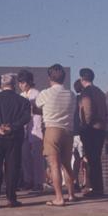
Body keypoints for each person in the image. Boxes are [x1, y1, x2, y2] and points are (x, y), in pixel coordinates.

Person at [0, 73, 31, 208]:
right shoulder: (23, 101)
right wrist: (11, 127)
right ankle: (11, 198)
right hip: (14, 137)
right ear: (14, 84)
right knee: (12, 168)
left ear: (2, 84)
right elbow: (26, 118)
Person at [35, 64, 77, 206]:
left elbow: (38, 105)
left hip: (52, 130)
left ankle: (59, 198)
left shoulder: (45, 93)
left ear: (49, 78)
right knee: (67, 165)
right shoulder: (71, 94)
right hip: (68, 131)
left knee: (54, 165)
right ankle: (71, 194)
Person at [77, 67, 108, 198]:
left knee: (92, 159)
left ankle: (95, 189)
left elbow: (87, 111)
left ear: (82, 79)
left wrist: (84, 126)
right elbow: (106, 111)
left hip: (91, 129)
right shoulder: (100, 92)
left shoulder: (86, 93)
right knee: (96, 159)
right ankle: (98, 187)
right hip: (101, 128)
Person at [17, 69, 45, 192]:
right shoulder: (20, 96)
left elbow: (42, 112)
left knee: (37, 157)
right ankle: (29, 180)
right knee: (25, 156)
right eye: (19, 83)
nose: (21, 85)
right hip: (23, 130)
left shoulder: (37, 94)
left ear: (29, 82)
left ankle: (39, 182)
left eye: (23, 82)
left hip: (36, 128)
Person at [71, 78, 86, 192]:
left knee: (75, 158)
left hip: (73, 132)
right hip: (82, 133)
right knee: (84, 158)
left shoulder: (73, 100)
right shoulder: (83, 99)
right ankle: (85, 181)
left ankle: (75, 180)